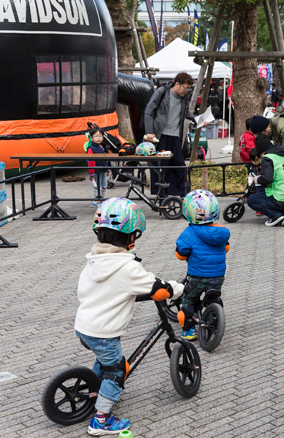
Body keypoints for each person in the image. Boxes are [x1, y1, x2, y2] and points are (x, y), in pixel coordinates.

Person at [75, 197, 184, 435]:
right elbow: (156, 287)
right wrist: (178, 289)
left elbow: (84, 291)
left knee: (107, 360)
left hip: (84, 327)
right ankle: (102, 420)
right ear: (131, 236)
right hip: (104, 332)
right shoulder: (127, 267)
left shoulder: (93, 261)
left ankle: (96, 391)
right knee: (117, 370)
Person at [176, 189, 230, 340]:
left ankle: (189, 330)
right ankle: (216, 318)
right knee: (214, 297)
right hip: (218, 277)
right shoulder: (222, 231)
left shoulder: (189, 232)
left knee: (188, 299)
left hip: (197, 277)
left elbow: (182, 253)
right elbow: (226, 247)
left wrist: (182, 253)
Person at [143, 72, 197, 197]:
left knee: (179, 165)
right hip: (160, 135)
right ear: (177, 84)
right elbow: (148, 112)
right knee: (161, 166)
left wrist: (198, 120)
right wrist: (149, 132)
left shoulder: (184, 97)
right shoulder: (162, 92)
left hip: (175, 136)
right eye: (185, 87)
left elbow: (186, 112)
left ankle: (179, 193)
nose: (187, 90)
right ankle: (162, 194)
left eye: (189, 88)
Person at [247, 134, 284, 227]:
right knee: (274, 193)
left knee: (251, 200)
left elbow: (267, 179)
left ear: (262, 152)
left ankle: (275, 216)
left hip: (279, 198)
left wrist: (258, 179)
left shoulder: (268, 158)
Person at [85, 126, 112, 207]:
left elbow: (107, 158)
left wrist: (108, 169)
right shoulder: (91, 148)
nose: (98, 138)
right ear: (92, 138)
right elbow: (90, 161)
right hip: (95, 171)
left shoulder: (104, 147)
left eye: (100, 136)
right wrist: (91, 173)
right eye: (96, 136)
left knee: (104, 186)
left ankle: (101, 199)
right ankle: (95, 200)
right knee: (96, 186)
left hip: (103, 170)